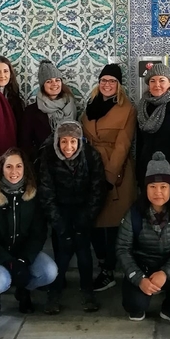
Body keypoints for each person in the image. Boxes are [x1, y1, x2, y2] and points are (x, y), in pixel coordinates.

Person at [117, 151, 170, 327]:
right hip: (142, 266)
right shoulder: (134, 214)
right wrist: (139, 278)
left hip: (169, 267)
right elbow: (123, 249)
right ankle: (139, 297)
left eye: (163, 187)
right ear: (145, 189)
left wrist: (165, 272)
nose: (158, 192)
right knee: (135, 306)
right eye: (152, 187)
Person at [37, 120, 106, 314]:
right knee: (62, 250)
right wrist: (58, 223)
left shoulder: (91, 156)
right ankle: (54, 293)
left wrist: (87, 217)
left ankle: (88, 292)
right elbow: (46, 192)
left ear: (80, 142)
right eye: (64, 141)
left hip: (83, 210)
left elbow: (97, 190)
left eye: (73, 142)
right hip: (60, 211)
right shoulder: (48, 157)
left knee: (84, 252)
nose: (68, 147)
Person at [0, 148, 58, 315]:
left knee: (49, 271)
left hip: (22, 253)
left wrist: (24, 259)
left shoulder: (32, 195)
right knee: (0, 281)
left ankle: (23, 291)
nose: (14, 171)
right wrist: (9, 262)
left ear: (24, 168)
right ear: (1, 168)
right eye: (9, 167)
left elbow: (39, 233)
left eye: (18, 166)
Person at [81, 64, 137, 292]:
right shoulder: (90, 106)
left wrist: (109, 177)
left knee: (114, 224)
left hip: (117, 174)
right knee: (93, 221)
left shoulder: (127, 109)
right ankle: (103, 265)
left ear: (119, 85)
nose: (107, 84)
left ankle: (110, 270)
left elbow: (123, 145)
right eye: (104, 80)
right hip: (91, 170)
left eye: (112, 81)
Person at [20, 59, 77, 165]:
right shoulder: (31, 111)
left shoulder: (70, 105)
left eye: (57, 80)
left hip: (68, 164)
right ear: (43, 85)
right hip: (43, 164)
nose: (54, 84)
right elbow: (25, 143)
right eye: (49, 81)